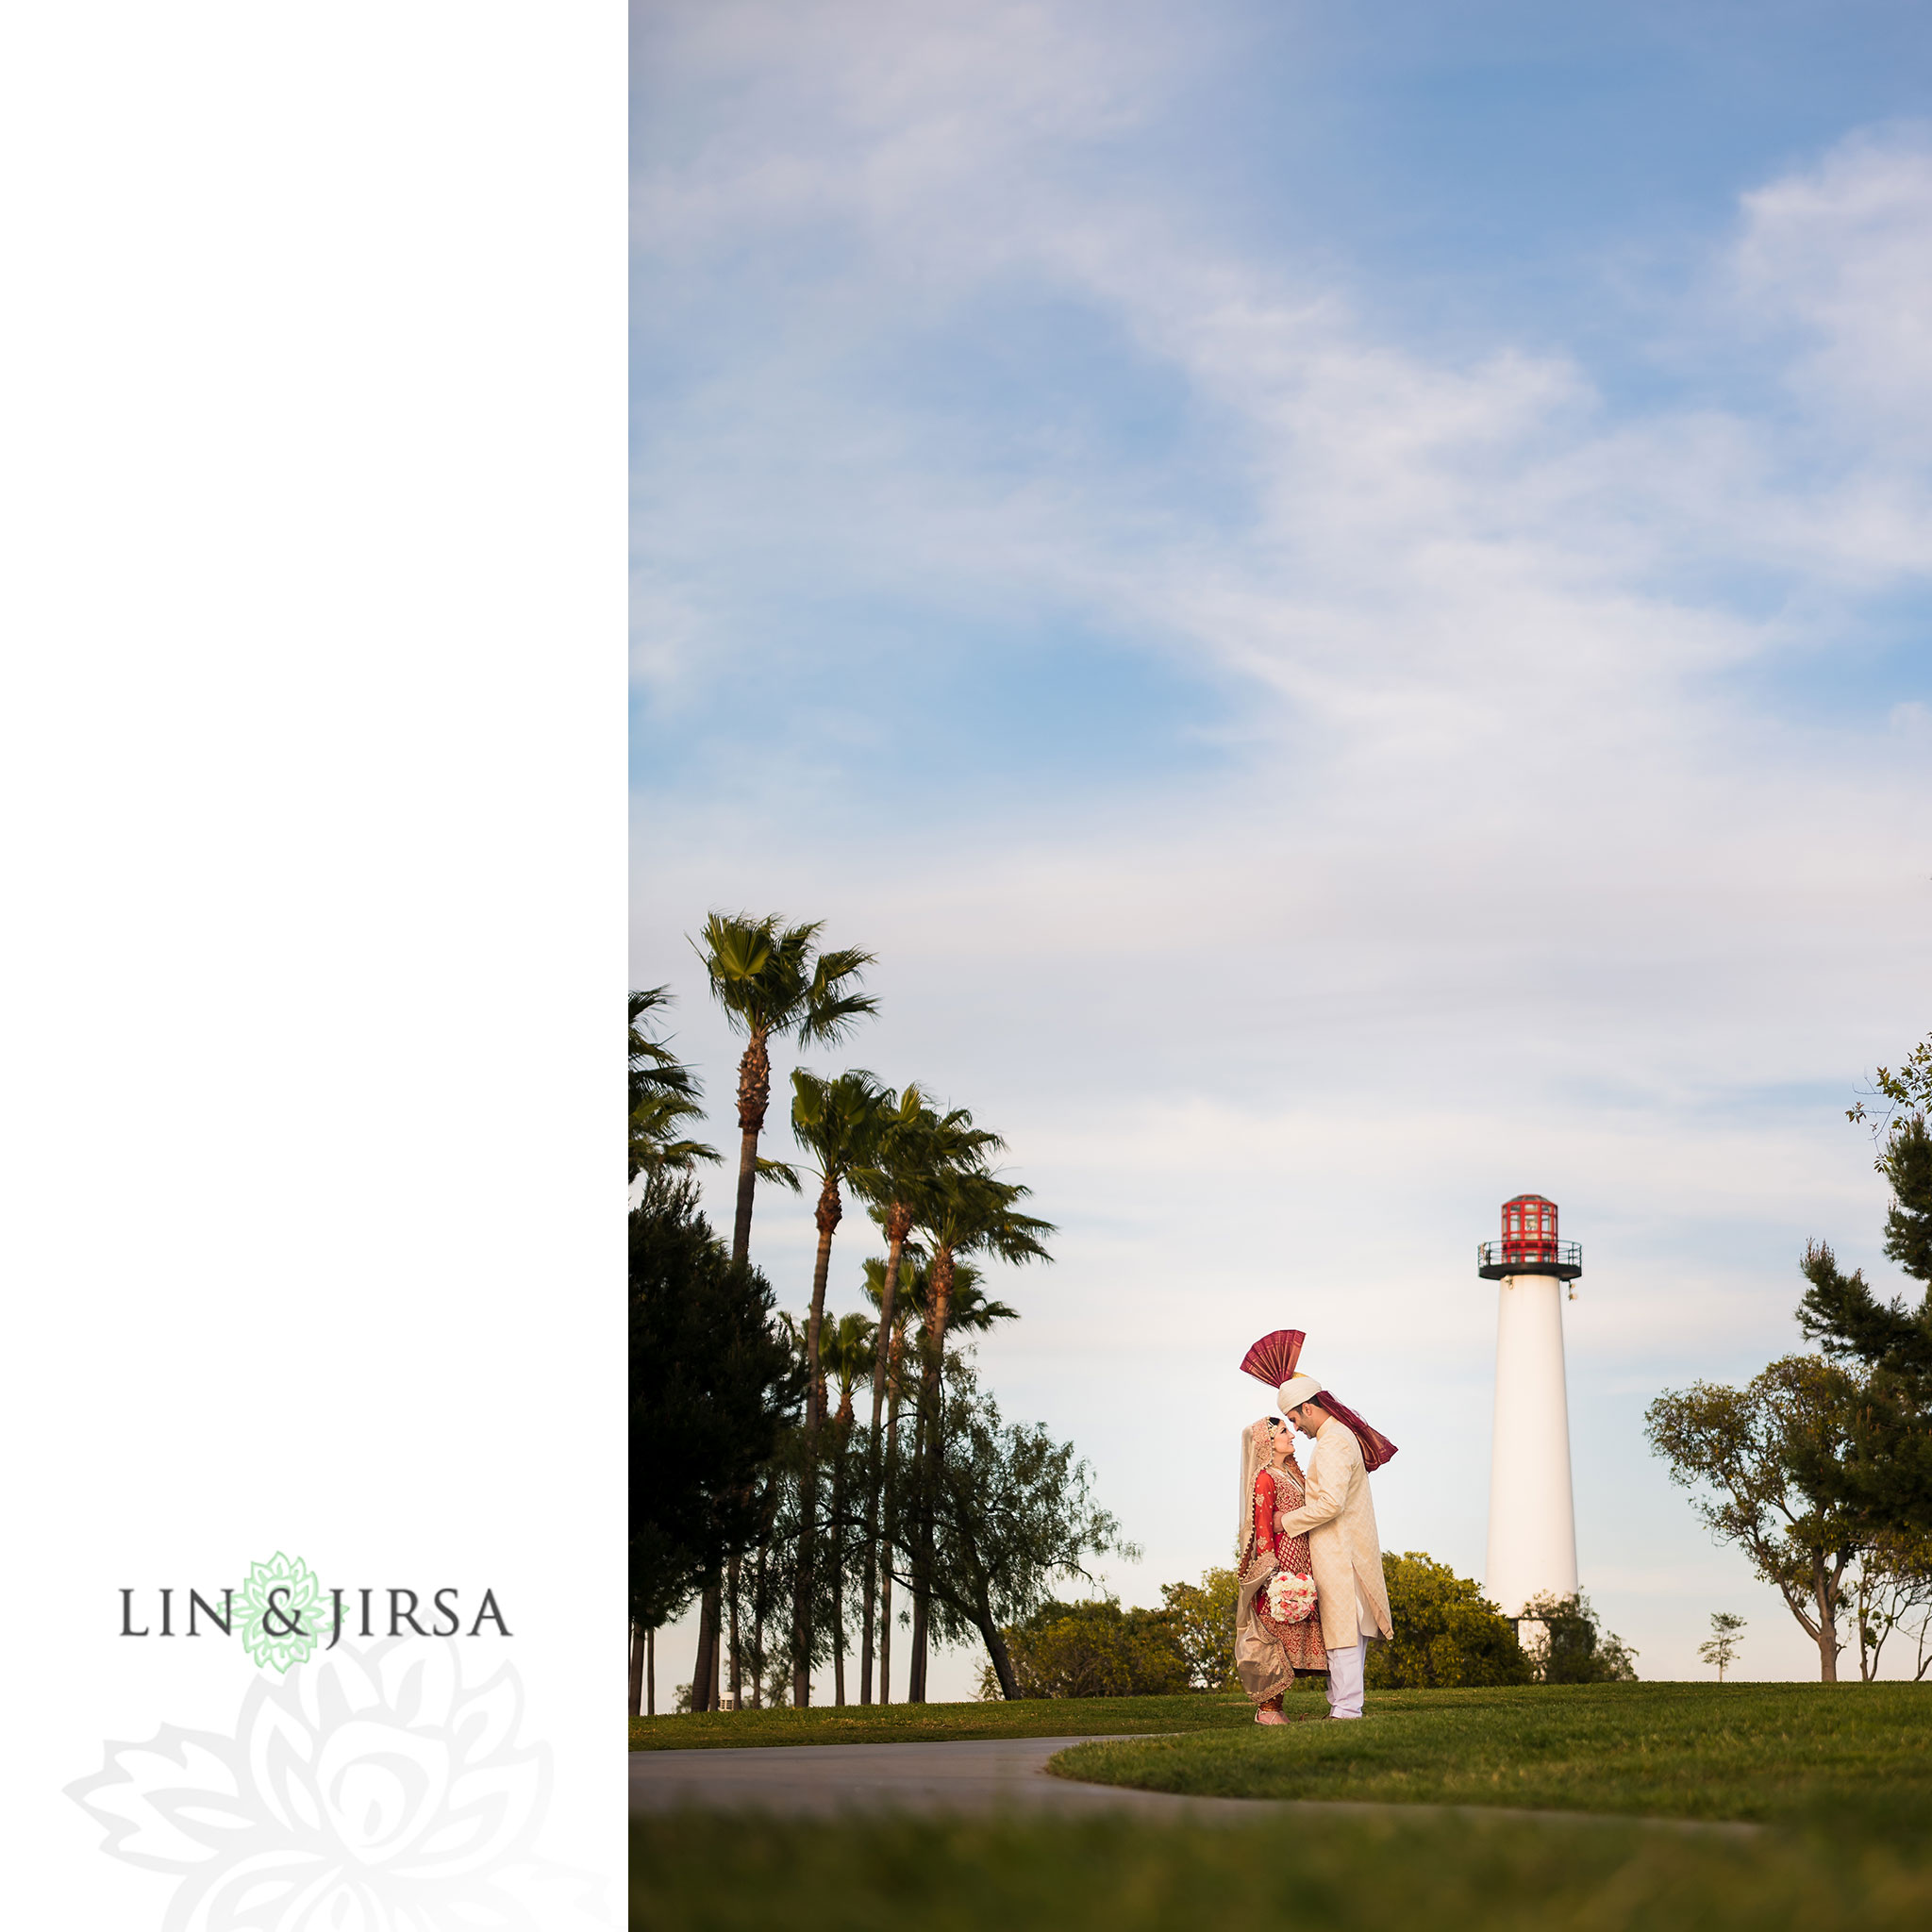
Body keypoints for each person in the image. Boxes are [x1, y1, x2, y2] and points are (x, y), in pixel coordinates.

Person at [1274, 1372, 1395, 1721]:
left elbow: (1330, 1504)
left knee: (1344, 1636)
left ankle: (1346, 1710)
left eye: (1295, 1419)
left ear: (1309, 1408)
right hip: (1344, 1551)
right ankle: (1343, 1708)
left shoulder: (1333, 1443)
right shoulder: (1338, 1437)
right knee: (1345, 1635)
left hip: (1342, 1554)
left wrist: (1287, 1522)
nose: (1295, 1429)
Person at [1234, 1415, 1327, 1724]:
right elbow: (1262, 1531)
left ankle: (1277, 1709)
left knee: (1293, 1633)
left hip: (1301, 1559)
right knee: (1275, 1636)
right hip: (1281, 1567)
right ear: (1268, 1441)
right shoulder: (1265, 1478)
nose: (1293, 1435)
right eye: (1284, 1431)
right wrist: (1274, 1577)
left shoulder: (1291, 1473)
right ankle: (1268, 1710)